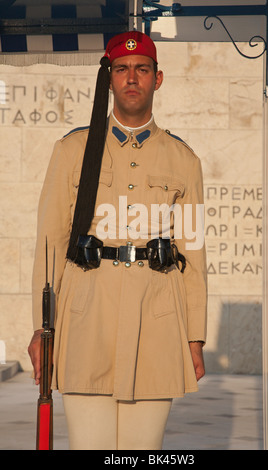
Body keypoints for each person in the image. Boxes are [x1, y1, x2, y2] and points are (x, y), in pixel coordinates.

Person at [28, 31, 207, 451]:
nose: (132, 78)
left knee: (143, 453)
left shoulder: (184, 160)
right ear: (109, 79)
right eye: (122, 70)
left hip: (157, 321)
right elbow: (50, 241)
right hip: (86, 317)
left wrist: (194, 337)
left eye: (141, 70)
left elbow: (193, 253)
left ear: (157, 79)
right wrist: (42, 327)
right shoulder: (73, 150)